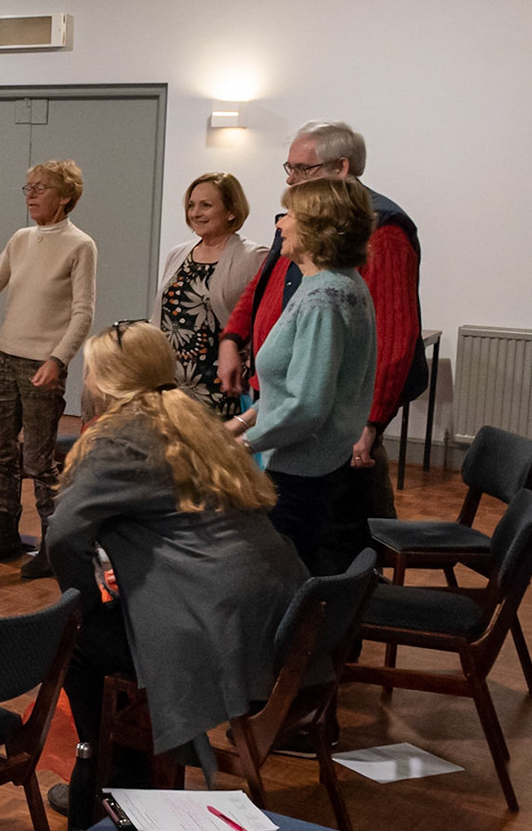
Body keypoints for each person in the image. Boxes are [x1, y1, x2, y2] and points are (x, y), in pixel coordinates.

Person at [46, 321, 306, 830]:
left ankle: (106, 784)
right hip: (276, 612)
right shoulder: (194, 418)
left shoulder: (118, 436)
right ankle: (133, 774)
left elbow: (62, 539)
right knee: (108, 630)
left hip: (213, 624)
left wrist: (88, 604)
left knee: (75, 639)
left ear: (106, 380)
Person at [217, 121, 424, 516]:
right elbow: (263, 287)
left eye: (302, 169)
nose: (291, 178)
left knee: (336, 526)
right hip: (288, 427)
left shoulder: (378, 235)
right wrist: (232, 339)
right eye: (289, 168)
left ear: (341, 167)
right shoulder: (318, 260)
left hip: (315, 445)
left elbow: (394, 336)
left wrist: (372, 422)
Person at [0, 159, 97, 580]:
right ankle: (6, 534)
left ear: (65, 197)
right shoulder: (20, 239)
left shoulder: (80, 245)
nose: (31, 195)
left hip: (42, 364)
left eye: (40, 188)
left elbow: (83, 313)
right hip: (5, 358)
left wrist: (58, 359)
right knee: (1, 452)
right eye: (28, 188)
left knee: (38, 458)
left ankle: (53, 546)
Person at [229, 177, 378, 576]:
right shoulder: (335, 283)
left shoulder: (324, 298)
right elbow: (293, 385)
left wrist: (243, 445)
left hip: (302, 473)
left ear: (317, 226)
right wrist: (241, 422)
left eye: (290, 214)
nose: (281, 224)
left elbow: (308, 405)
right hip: (314, 464)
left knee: (283, 580)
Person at [152, 173, 268, 419]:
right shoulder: (178, 254)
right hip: (171, 386)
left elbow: (263, 322)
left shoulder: (254, 257)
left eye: (206, 205)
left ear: (231, 211)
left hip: (221, 386)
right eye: (191, 205)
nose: (195, 213)